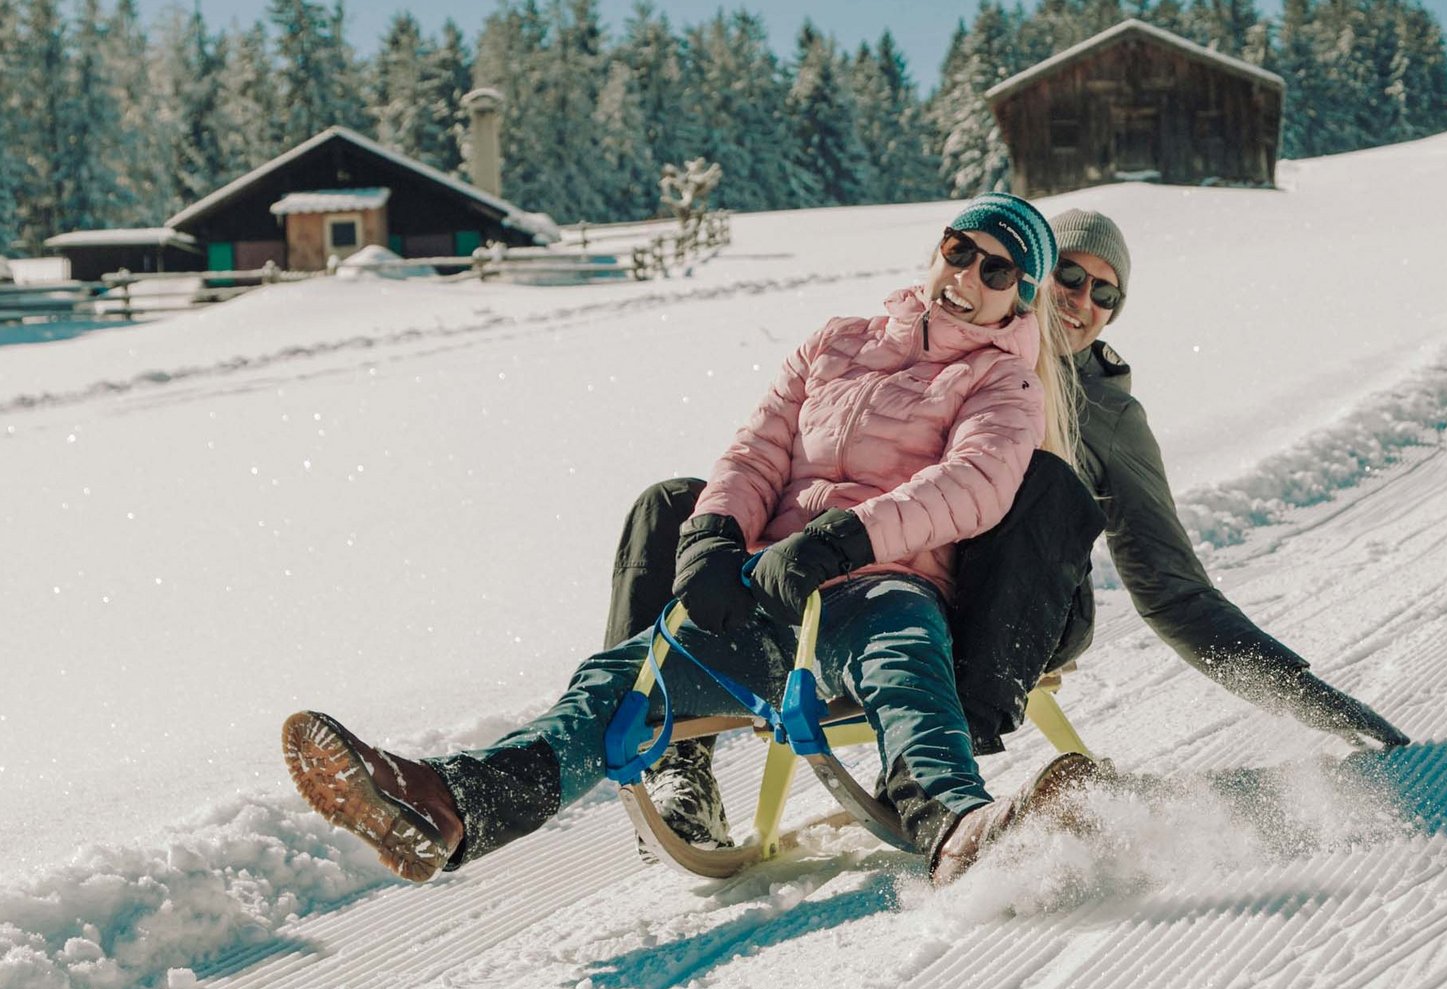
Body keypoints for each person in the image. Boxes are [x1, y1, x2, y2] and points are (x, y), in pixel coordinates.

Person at [283, 193, 1102, 887]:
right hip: (766, 586)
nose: (967, 278)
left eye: (996, 271)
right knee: (621, 678)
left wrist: (841, 540)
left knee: (903, 660)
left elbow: (975, 483)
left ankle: (956, 824)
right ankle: (458, 804)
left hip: (877, 585)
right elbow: (756, 451)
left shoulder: (1003, 382)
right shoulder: (836, 343)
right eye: (960, 252)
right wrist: (713, 536)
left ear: (1018, 299)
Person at [610, 209, 1407, 851]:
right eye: (1070, 275)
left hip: (1012, 611)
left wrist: (1322, 707)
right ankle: (672, 751)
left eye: (1108, 295)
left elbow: (1174, 592)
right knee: (671, 505)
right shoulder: (945, 356)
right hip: (890, 572)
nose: (1084, 302)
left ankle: (939, 748)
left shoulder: (1110, 418)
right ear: (1027, 279)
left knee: (1046, 485)